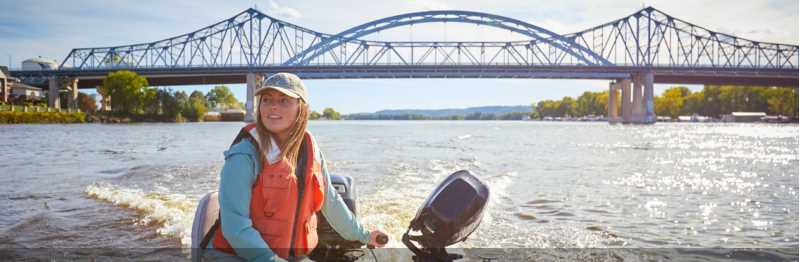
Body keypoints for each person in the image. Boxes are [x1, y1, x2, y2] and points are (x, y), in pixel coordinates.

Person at [204, 73, 386, 261]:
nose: (273, 106)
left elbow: (330, 201)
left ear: (302, 108)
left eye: (284, 100)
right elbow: (236, 228)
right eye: (266, 100)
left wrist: (364, 235)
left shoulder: (310, 149)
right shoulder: (244, 155)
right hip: (236, 255)